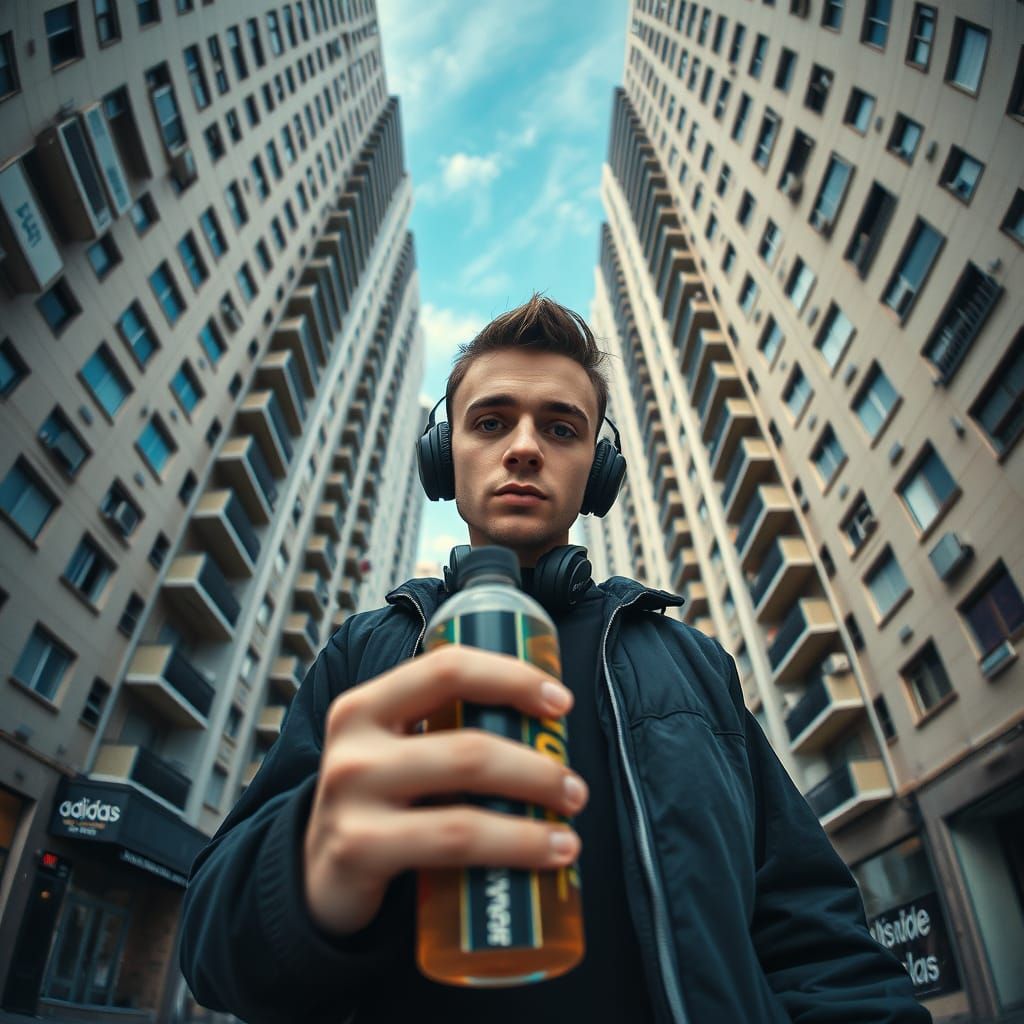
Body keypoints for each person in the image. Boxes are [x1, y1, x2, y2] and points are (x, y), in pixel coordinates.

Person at [180, 295, 929, 1023]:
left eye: (562, 428)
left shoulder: (693, 664)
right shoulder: (364, 652)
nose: (525, 447)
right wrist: (307, 867)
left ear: (598, 472)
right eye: (491, 421)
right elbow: (212, 954)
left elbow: (815, 934)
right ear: (444, 459)